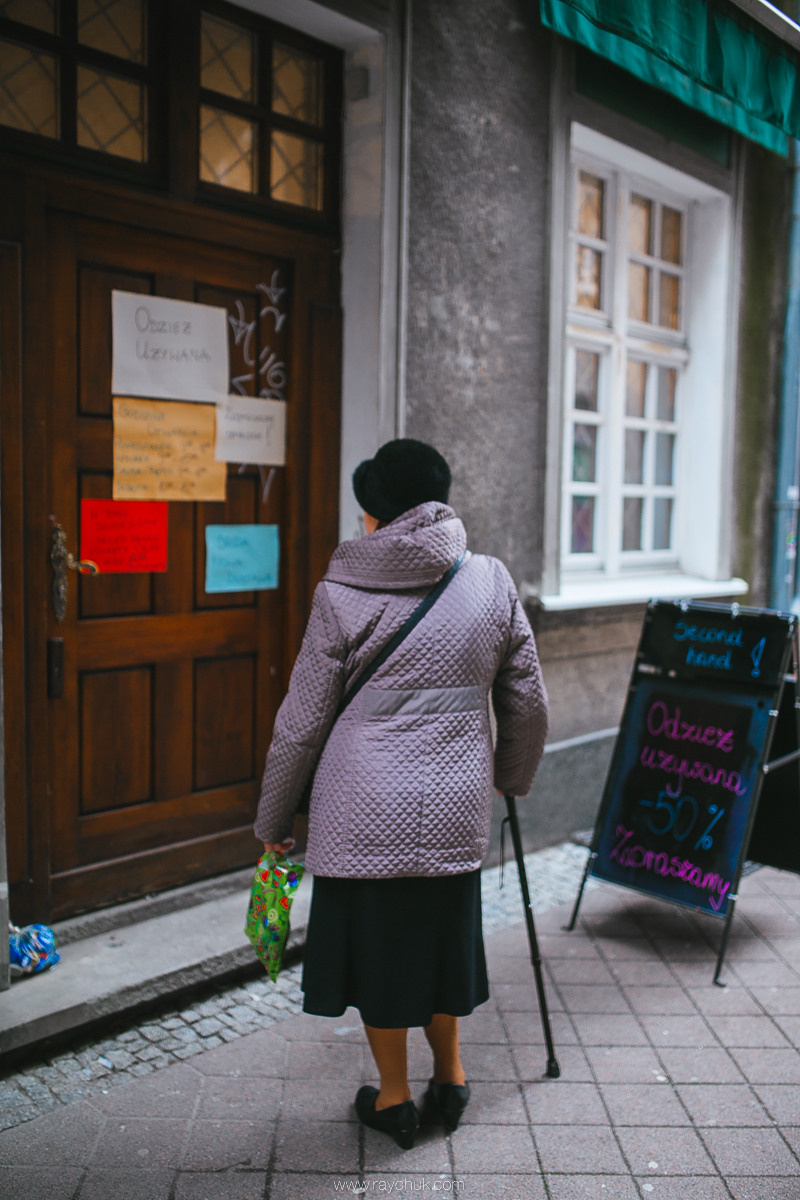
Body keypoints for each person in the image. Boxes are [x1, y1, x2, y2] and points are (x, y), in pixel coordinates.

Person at [254, 438, 549, 1149]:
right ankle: (451, 1078)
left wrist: (273, 818)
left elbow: (301, 721)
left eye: (366, 511)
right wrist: (512, 776)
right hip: (451, 810)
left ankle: (392, 1099)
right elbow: (529, 703)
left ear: (382, 517)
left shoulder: (341, 593)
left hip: (362, 814)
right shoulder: (490, 580)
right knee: (443, 945)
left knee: (380, 957)